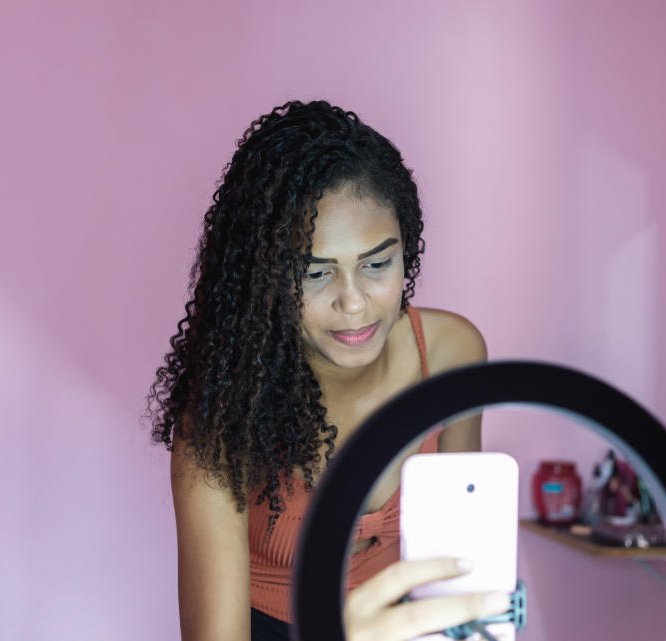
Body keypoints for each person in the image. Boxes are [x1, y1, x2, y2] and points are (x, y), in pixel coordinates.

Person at [146, 100, 507, 641]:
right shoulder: (221, 414)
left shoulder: (454, 355)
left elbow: (457, 569)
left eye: (377, 265)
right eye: (315, 273)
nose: (354, 303)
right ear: (266, 280)